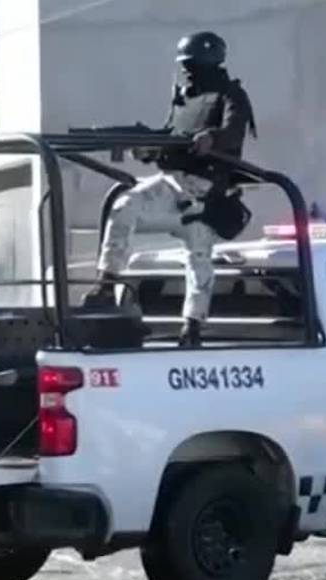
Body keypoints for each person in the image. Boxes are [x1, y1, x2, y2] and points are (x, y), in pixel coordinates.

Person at [84, 31, 257, 347]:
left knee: (199, 261)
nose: (187, 70)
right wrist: (146, 147)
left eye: (191, 64)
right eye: (183, 65)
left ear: (208, 61)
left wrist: (212, 139)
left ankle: (192, 326)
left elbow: (232, 133)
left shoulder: (231, 95)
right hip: (172, 184)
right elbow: (170, 135)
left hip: (205, 193)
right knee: (125, 205)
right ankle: (107, 282)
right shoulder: (184, 97)